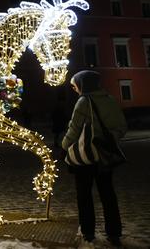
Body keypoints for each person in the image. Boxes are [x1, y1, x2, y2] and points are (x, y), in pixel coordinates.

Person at [62, 70, 127, 247]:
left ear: (83, 84)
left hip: (86, 157)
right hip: (105, 155)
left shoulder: (84, 101)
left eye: (76, 85)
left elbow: (74, 129)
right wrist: (109, 139)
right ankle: (114, 233)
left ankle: (88, 232)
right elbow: (122, 127)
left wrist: (65, 145)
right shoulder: (111, 99)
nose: (75, 89)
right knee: (108, 194)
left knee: (84, 194)